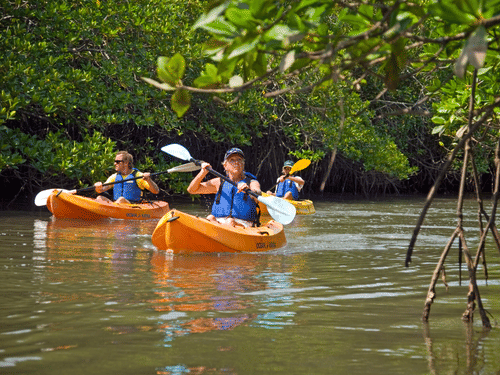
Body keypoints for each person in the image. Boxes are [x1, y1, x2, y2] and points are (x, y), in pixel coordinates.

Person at [187, 147, 261, 227]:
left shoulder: (251, 182)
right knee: (210, 217)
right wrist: (202, 173)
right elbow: (192, 190)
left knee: (230, 221)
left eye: (239, 159)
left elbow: (257, 194)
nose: (236, 162)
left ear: (243, 164)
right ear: (225, 166)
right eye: (232, 160)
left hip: (244, 224)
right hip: (220, 222)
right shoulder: (219, 182)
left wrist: (248, 190)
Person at [94, 151, 160, 204]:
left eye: (117, 162)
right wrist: (98, 187)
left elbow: (156, 191)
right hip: (117, 204)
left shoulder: (138, 176)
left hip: (133, 205)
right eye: (115, 161)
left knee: (121, 199)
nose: (114, 164)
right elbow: (101, 190)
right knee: (99, 198)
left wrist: (149, 180)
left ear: (126, 163)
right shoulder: (115, 176)